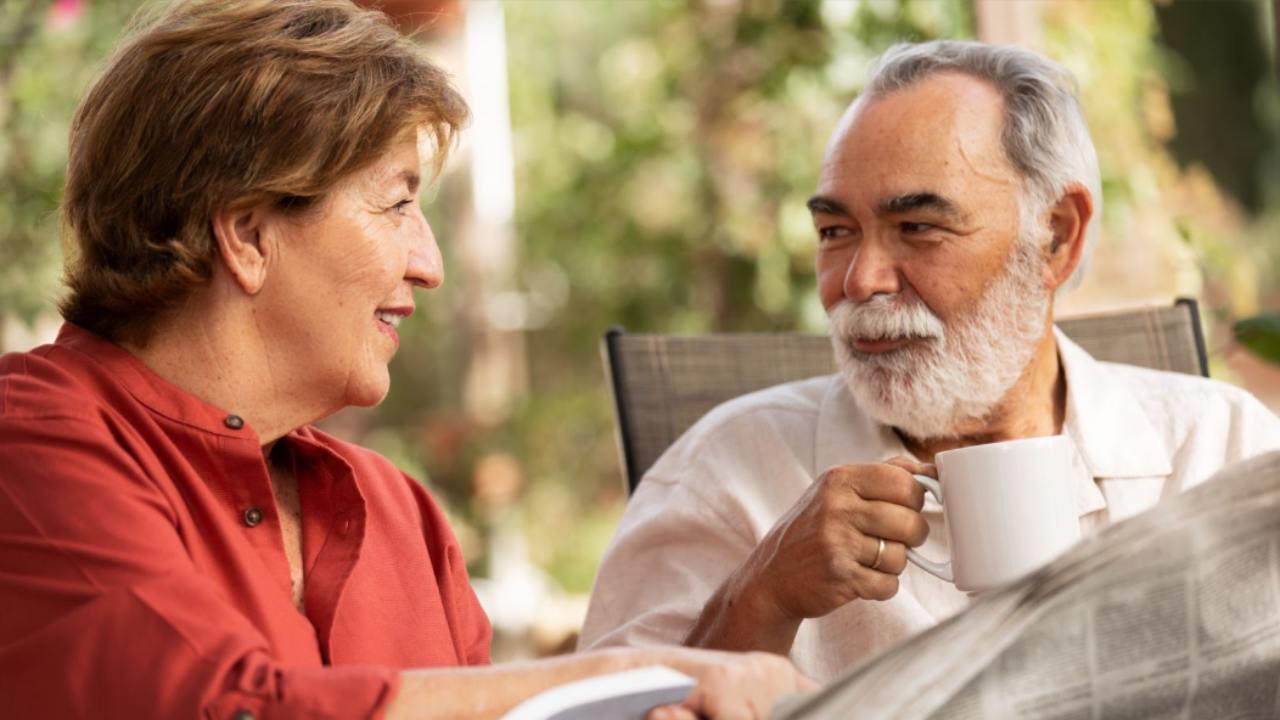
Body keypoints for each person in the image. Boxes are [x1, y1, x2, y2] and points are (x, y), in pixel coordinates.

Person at [0, 1, 813, 717]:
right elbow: (227, 708)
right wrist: (646, 670)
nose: (430, 263)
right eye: (396, 205)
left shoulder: (400, 513)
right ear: (247, 235)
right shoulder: (32, 442)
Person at [578, 40, 1280, 681]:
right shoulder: (726, 475)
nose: (860, 282)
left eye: (917, 228)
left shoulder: (1225, 451)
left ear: (1056, 237)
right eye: (834, 231)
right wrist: (757, 598)